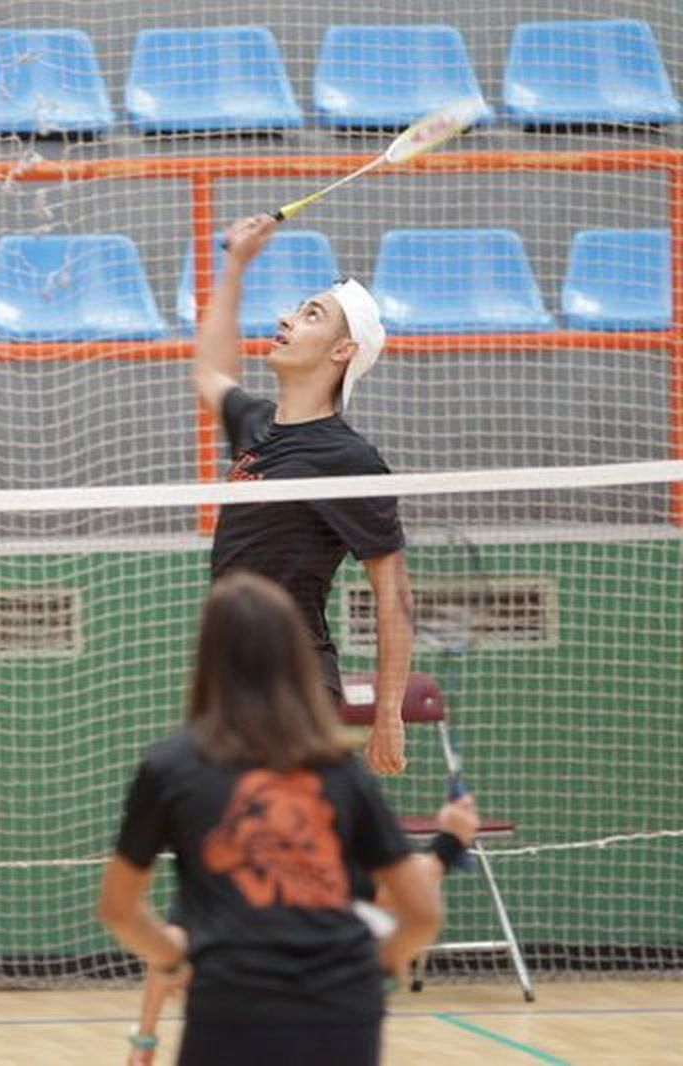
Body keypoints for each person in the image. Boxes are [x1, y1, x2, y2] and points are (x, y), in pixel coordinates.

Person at [97, 572, 471, 1066]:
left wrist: (172, 960)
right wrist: (379, 963)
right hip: (346, 1014)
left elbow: (119, 910)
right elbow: (421, 913)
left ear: (207, 658)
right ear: (295, 659)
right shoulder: (342, 770)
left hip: (230, 1009)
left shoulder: (169, 768)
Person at [192, 215, 414, 776]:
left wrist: (389, 711)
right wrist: (236, 265)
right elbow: (211, 373)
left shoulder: (348, 458)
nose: (286, 318)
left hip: (293, 681)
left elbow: (391, 592)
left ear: (343, 351)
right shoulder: (257, 427)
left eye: (310, 314)